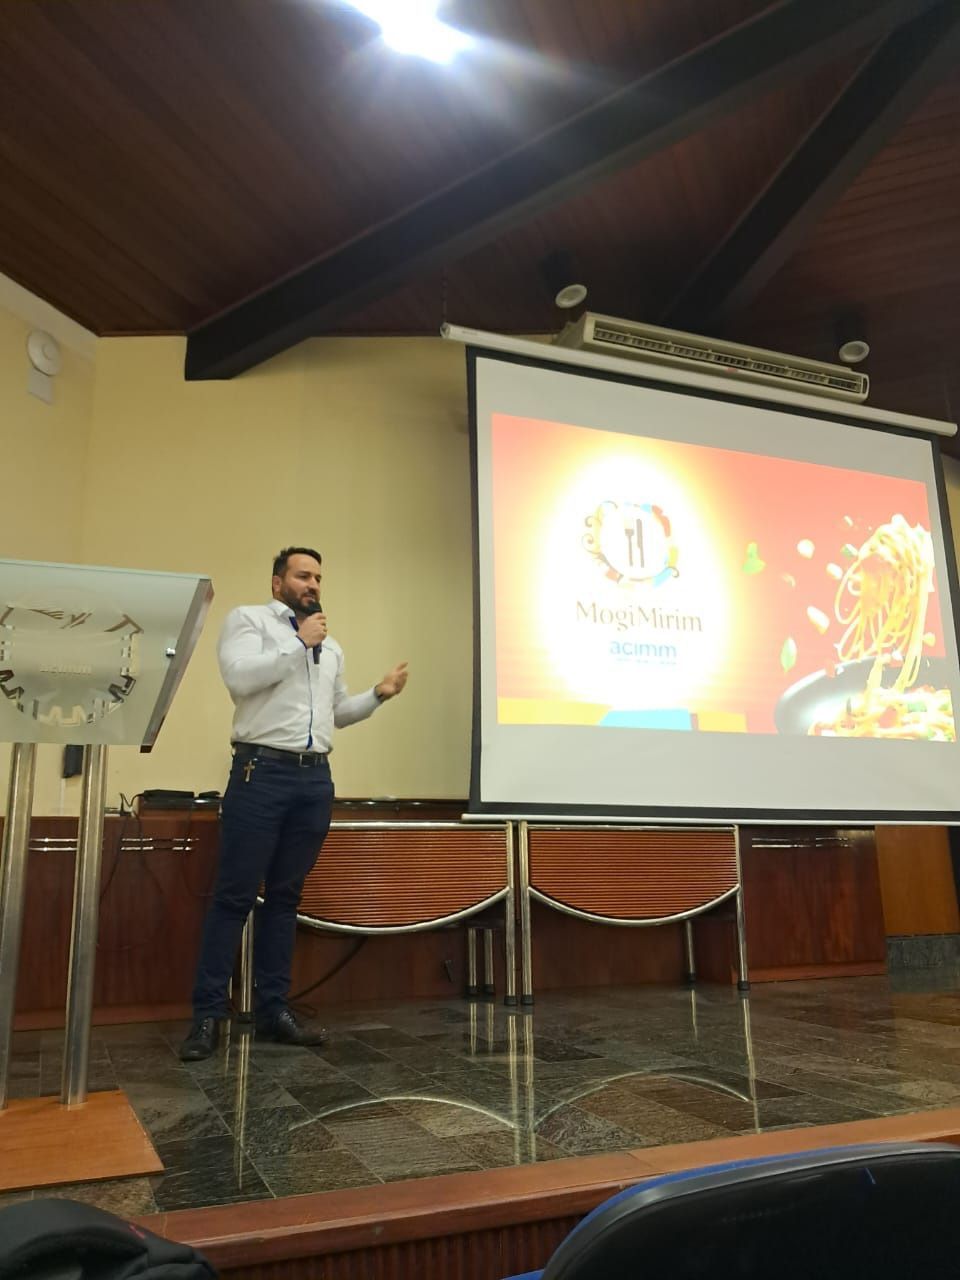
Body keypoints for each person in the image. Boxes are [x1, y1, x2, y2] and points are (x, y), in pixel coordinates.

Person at [179, 546, 408, 1061]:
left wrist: (379, 694)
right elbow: (239, 679)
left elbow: (336, 715)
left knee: (285, 899)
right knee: (234, 897)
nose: (313, 584)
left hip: (313, 781)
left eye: (318, 577)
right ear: (278, 581)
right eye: (303, 575)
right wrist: (297, 645)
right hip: (260, 773)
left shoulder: (332, 648)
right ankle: (207, 1017)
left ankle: (272, 1012)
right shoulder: (249, 621)